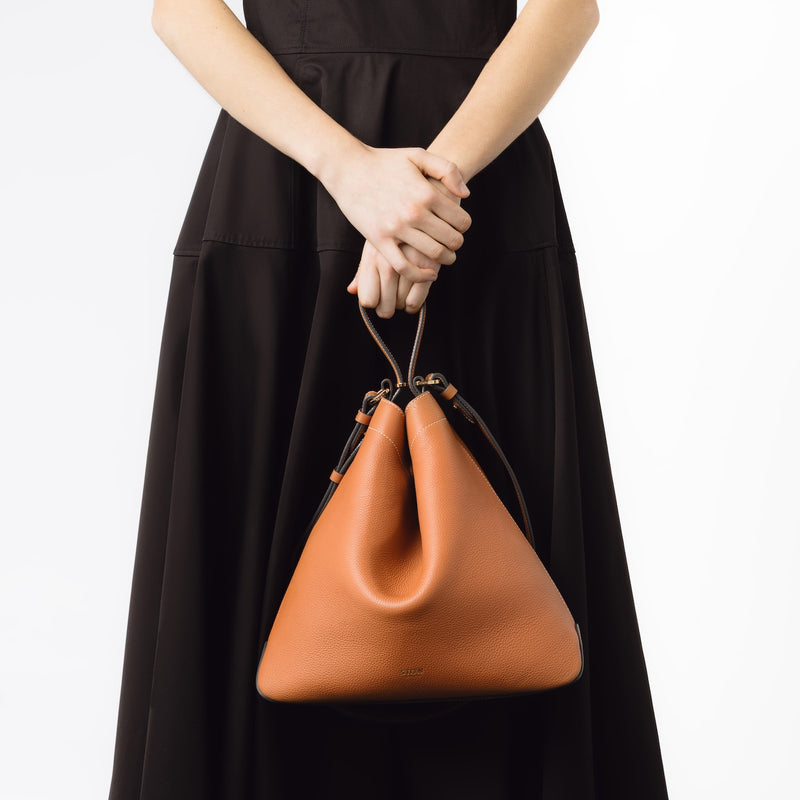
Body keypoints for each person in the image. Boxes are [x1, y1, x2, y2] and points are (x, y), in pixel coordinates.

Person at [108, 0, 670, 797]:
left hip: (473, 186)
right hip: (306, 187)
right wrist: (355, 174)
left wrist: (419, 199)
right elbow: (181, 13)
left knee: (496, 591)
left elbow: (566, 10)